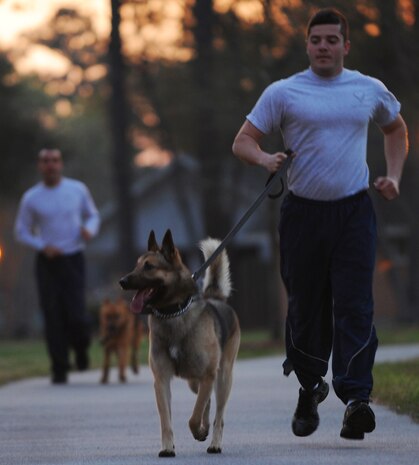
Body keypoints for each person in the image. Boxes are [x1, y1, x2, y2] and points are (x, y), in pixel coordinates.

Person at [232, 8, 408, 440]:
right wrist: (265, 159)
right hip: (302, 214)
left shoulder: (367, 89)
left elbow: (396, 128)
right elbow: (243, 141)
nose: (324, 47)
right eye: (317, 40)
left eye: (332, 40)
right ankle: (310, 387)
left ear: (346, 46)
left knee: (355, 305)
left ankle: (356, 400)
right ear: (307, 45)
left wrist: (394, 176)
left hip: (353, 212)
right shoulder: (284, 92)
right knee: (306, 308)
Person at [14, 148, 100, 384]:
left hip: (74, 258)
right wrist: (42, 245)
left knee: (76, 315)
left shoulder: (77, 189)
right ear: (40, 166)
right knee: (52, 314)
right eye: (45, 161)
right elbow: (21, 231)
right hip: (48, 262)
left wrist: (89, 230)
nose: (50, 165)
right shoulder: (32, 198)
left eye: (54, 160)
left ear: (61, 164)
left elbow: (93, 215)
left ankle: (81, 349)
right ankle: (59, 368)